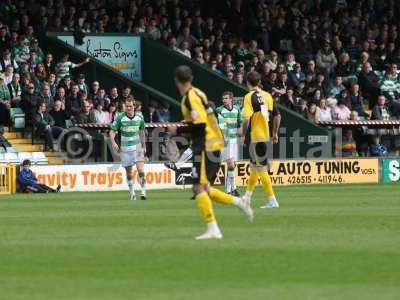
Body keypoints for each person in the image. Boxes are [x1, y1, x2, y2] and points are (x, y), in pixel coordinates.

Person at [167, 65, 252, 240]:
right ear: (190, 79)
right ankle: (239, 202)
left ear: (176, 81)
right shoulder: (199, 93)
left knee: (198, 187)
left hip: (206, 145)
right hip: (213, 143)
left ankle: (213, 229)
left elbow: (200, 125)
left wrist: (178, 130)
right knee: (205, 188)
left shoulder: (189, 99)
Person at [241, 71, 281, 209]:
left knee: (261, 168)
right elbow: (277, 116)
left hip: (257, 136)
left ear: (247, 83)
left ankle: (272, 200)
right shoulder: (268, 96)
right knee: (254, 167)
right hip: (266, 136)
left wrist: (242, 133)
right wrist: (274, 133)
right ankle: (247, 197)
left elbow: (246, 119)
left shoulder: (248, 97)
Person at [109, 97, 147, 201]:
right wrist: (113, 142)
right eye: (127, 106)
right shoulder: (120, 117)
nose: (129, 108)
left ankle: (143, 192)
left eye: (130, 106)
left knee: (140, 170)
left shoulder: (139, 117)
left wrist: (144, 146)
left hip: (137, 147)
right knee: (129, 173)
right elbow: (112, 131)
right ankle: (132, 193)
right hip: (125, 149)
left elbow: (142, 132)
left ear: (134, 106)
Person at [215, 91, 241, 196]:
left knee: (233, 165)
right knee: (230, 164)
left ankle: (230, 189)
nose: (224, 100)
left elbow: (239, 123)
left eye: (226, 98)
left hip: (235, 140)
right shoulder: (219, 110)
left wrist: (241, 135)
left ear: (231, 99)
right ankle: (232, 190)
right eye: (223, 98)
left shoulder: (237, 109)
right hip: (225, 140)